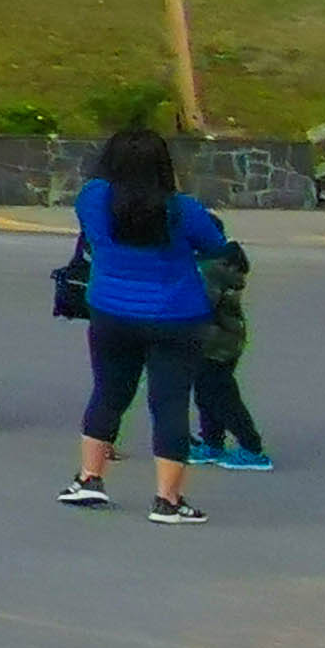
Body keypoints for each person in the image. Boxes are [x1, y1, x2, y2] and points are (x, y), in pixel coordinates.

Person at [60, 128, 231, 520]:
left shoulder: (93, 199)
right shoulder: (181, 209)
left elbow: (91, 234)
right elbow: (214, 244)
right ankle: (167, 500)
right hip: (176, 315)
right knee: (169, 404)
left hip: (111, 310)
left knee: (108, 392)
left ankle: (90, 479)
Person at [190, 235, 269, 470]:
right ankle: (212, 442)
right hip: (224, 342)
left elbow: (202, 307)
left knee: (222, 397)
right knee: (207, 394)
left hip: (214, 344)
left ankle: (251, 447)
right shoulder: (220, 268)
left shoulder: (209, 270)